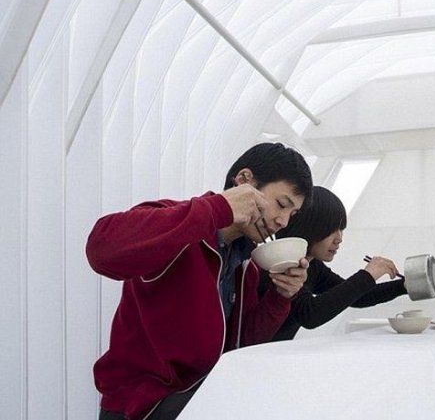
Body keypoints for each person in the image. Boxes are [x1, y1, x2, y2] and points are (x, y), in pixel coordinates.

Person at [86, 143, 313, 420]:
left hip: (195, 397)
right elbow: (100, 250)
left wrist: (280, 295)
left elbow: (245, 341)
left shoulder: (246, 266)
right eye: (282, 204)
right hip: (141, 406)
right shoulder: (179, 223)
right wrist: (218, 208)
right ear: (244, 181)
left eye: (292, 214)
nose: (283, 221)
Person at [258, 186, 408, 341]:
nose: (339, 239)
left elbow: (358, 297)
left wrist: (404, 286)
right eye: (332, 230)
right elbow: (309, 314)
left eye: (341, 230)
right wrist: (367, 275)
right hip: (254, 353)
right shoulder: (279, 262)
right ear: (309, 227)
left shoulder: (313, 265)